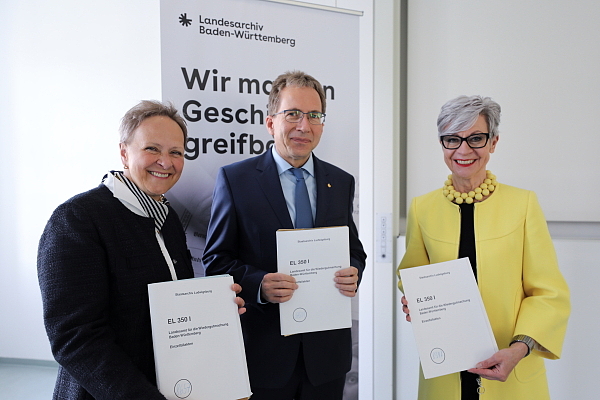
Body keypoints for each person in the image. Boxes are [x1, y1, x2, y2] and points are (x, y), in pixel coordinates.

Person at [37, 100, 245, 400]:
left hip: (173, 386)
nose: (166, 162)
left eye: (176, 152)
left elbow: (170, 303)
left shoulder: (167, 218)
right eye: (152, 149)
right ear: (124, 152)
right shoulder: (77, 219)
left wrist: (213, 310)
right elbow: (74, 338)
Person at [203, 70, 367, 400]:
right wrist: (259, 285)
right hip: (264, 359)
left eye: (314, 116)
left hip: (326, 361)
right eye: (292, 114)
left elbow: (354, 251)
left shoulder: (341, 181)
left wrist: (354, 272)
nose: (303, 126)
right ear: (270, 122)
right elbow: (215, 262)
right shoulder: (236, 180)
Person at [396, 95, 570, 400]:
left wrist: (519, 348)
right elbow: (411, 274)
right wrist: (414, 299)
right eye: (452, 139)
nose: (463, 150)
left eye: (475, 138)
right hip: (444, 372)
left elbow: (548, 293)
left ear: (493, 142)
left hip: (513, 372)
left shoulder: (523, 204)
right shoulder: (421, 208)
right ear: (442, 145)